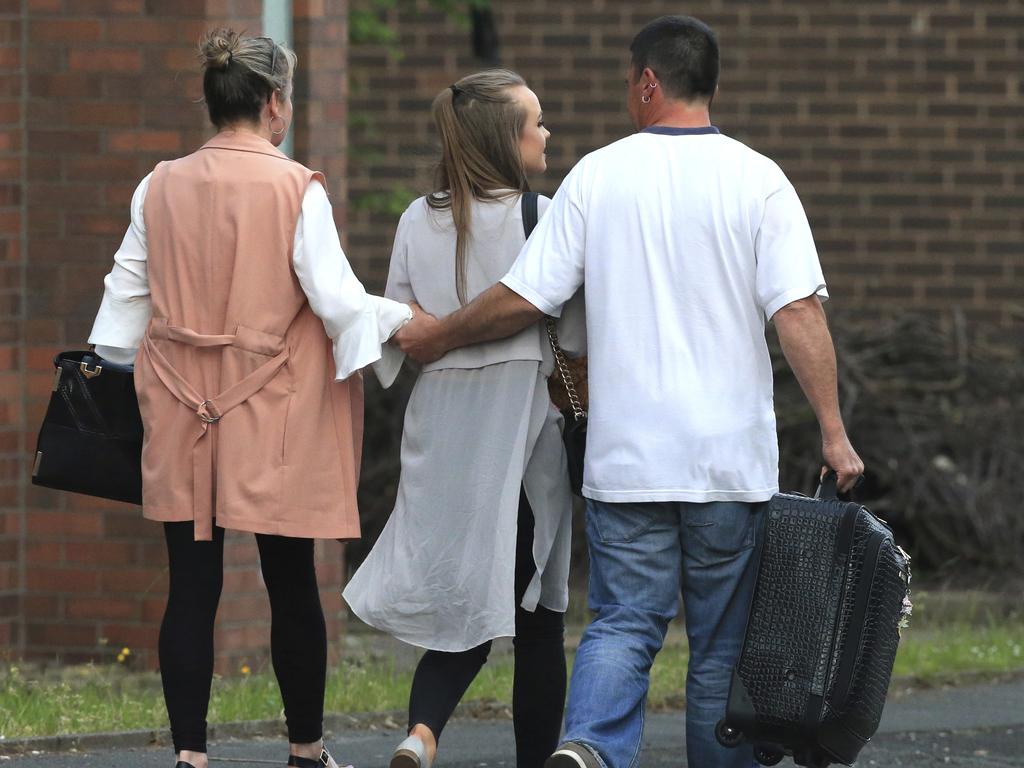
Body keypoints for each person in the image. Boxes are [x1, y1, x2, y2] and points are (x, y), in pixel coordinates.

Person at [392, 15, 865, 768]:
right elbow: (798, 312)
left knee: (621, 626)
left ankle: (590, 750)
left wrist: (440, 335)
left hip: (627, 461)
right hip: (726, 464)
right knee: (720, 652)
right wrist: (833, 432)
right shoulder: (760, 179)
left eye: (626, 81)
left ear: (649, 82)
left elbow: (525, 297)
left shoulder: (598, 177)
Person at [87, 29, 413, 768]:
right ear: (275, 103)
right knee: (291, 581)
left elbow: (119, 314)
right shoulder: (296, 187)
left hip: (179, 407)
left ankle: (190, 758)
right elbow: (336, 303)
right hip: (275, 411)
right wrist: (403, 322)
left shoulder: (157, 184)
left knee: (191, 585)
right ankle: (305, 751)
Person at [342, 70, 583, 768]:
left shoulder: (417, 219)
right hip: (523, 422)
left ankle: (421, 732)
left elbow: (402, 328)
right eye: (536, 121)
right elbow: (572, 332)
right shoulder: (542, 217)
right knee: (537, 613)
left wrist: (443, 335)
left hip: (443, 422)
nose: (547, 133)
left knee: (460, 597)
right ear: (508, 139)